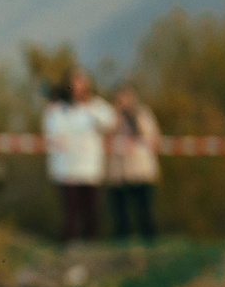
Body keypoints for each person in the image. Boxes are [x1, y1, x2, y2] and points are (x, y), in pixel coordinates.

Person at [42, 68, 115, 245]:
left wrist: (90, 107)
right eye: (74, 83)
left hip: (89, 167)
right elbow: (51, 130)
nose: (77, 87)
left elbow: (110, 122)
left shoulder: (96, 106)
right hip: (66, 168)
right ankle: (71, 243)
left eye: (81, 83)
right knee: (70, 209)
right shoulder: (58, 109)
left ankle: (92, 243)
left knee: (91, 208)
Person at [105, 83, 160, 245]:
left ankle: (149, 239)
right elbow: (107, 135)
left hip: (140, 170)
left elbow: (150, 136)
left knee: (144, 209)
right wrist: (117, 118)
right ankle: (122, 240)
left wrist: (132, 117)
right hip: (119, 171)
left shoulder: (143, 114)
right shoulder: (112, 115)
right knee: (120, 211)